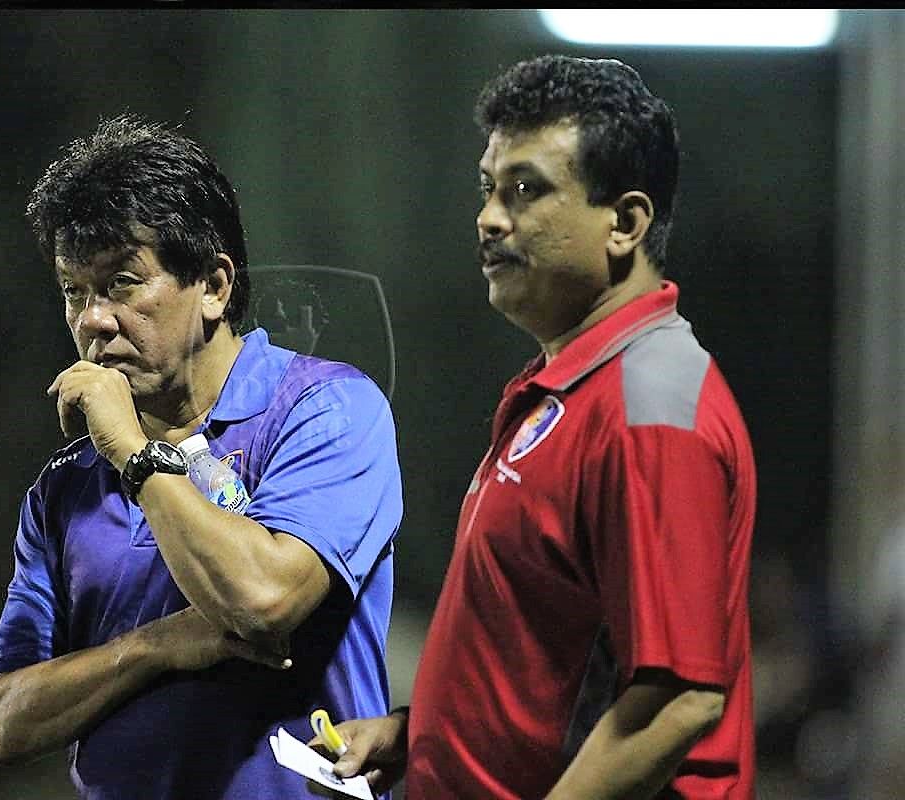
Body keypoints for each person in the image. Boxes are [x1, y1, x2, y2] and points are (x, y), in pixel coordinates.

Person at [316, 54, 757, 799]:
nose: (489, 216)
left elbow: (679, 699)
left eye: (526, 190)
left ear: (624, 223)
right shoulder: (571, 386)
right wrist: (421, 733)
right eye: (489, 188)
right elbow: (557, 655)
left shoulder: (652, 410)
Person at [0, 113, 403, 799]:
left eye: (121, 282)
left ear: (214, 285)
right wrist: (156, 647)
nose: (92, 319)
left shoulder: (324, 411)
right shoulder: (64, 488)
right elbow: (8, 720)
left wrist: (136, 454)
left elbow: (262, 600)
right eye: (73, 290)